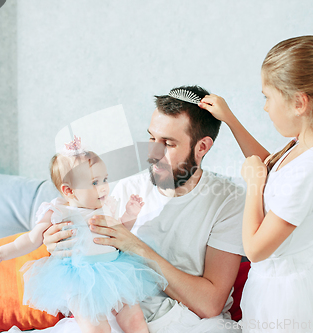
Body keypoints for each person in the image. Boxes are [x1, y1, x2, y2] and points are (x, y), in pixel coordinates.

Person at [199, 35, 313, 332]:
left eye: (267, 97)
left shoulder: (311, 172)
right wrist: (231, 120)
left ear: (299, 102)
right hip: (290, 276)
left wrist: (254, 185)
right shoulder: (304, 146)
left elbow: (256, 249)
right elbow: (269, 167)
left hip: (287, 294)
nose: (265, 108)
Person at [43, 85, 246, 333]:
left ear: (202, 147)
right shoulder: (123, 189)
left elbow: (210, 304)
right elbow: (87, 256)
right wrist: (58, 243)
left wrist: (134, 245)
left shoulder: (229, 200)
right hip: (119, 320)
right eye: (151, 138)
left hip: (190, 323)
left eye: (168, 144)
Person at [0, 137, 167, 333]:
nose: (104, 186)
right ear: (69, 191)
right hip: (79, 278)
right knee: (96, 328)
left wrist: (129, 215)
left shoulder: (107, 206)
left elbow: (119, 234)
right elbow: (30, 239)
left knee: (135, 319)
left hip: (115, 271)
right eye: (95, 182)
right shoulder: (59, 211)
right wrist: (1, 252)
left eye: (105, 179)